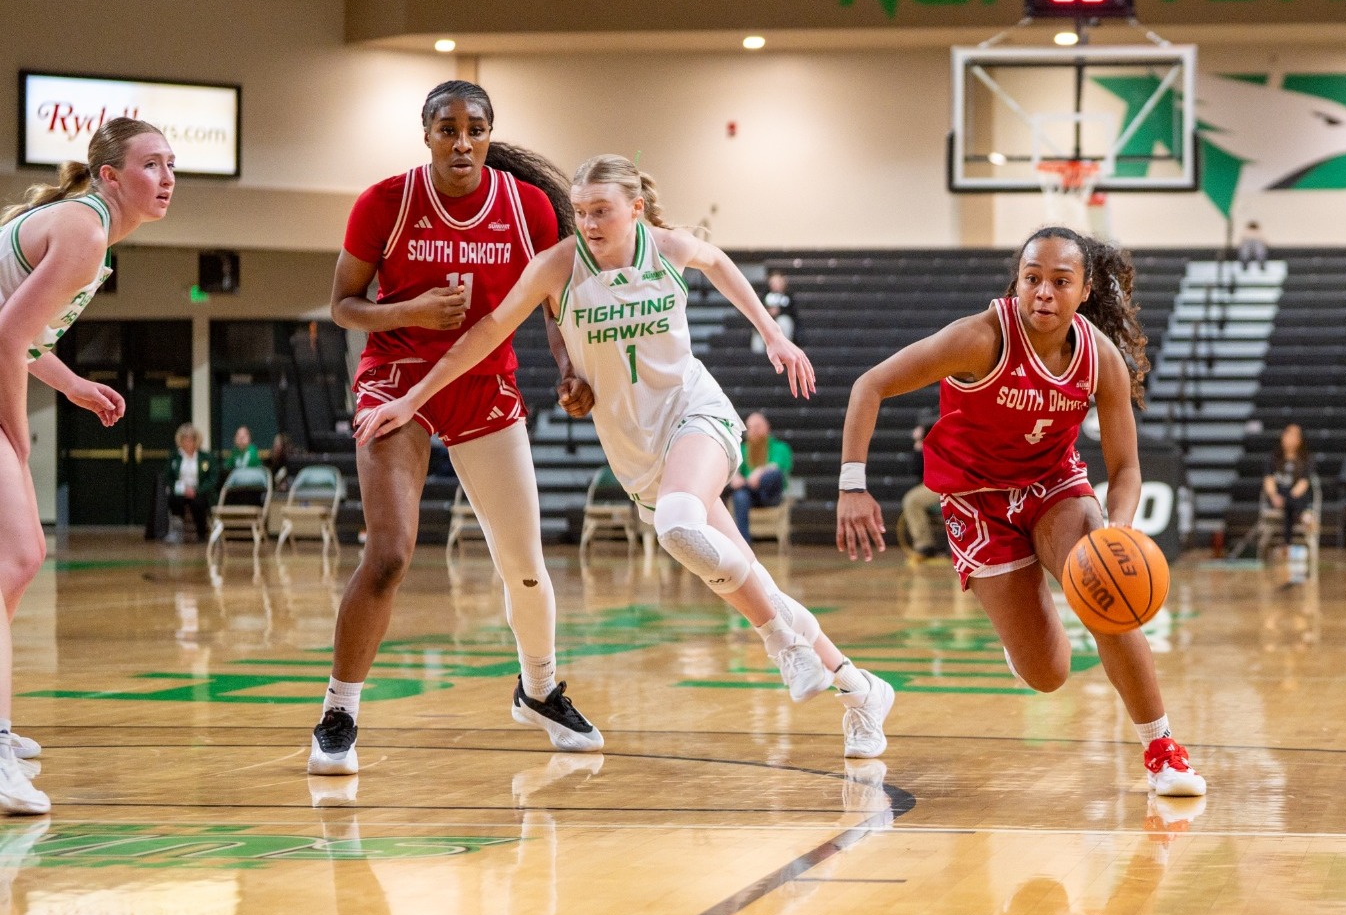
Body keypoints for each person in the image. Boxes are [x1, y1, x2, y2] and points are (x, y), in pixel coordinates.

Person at [355, 154, 895, 759]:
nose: (588, 223)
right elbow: (485, 334)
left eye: (602, 212)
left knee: (679, 526)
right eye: (581, 212)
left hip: (695, 416)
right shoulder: (558, 267)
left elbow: (718, 262)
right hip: (636, 452)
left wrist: (772, 332)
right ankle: (861, 689)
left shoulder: (663, 247)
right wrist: (412, 397)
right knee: (755, 581)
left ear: (635, 209)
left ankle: (782, 646)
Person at [834, 225, 1207, 797]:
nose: (1044, 293)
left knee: (1109, 595)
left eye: (1060, 282)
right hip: (977, 501)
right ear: (1018, 281)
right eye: (1033, 279)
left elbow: (1126, 467)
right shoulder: (978, 339)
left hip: (1053, 485)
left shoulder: (1098, 358)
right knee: (1049, 674)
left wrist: (1119, 532)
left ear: (1083, 292)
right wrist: (852, 485)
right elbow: (870, 385)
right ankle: (1023, 641)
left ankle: (1162, 750)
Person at [309, 80, 600, 778]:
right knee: (390, 554)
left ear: (490, 134)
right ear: (427, 135)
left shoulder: (527, 207)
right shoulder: (385, 202)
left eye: (474, 127)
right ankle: (339, 710)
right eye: (447, 128)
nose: (461, 140)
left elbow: (556, 305)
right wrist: (411, 312)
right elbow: (344, 306)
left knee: (523, 564)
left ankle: (539, 689)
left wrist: (567, 366)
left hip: (485, 384)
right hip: (396, 382)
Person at [0, 116, 174, 814]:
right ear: (110, 176)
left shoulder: (87, 232)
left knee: (17, 559)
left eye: (171, 166)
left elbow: (24, 335)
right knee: (17, 556)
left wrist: (72, 386)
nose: (165, 179)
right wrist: (18, 435)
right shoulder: (85, 229)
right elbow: (8, 339)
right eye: (151, 165)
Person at [728, 412, 791, 540]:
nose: (753, 431)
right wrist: (735, 477)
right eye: (750, 428)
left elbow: (778, 467)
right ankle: (744, 544)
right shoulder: (742, 449)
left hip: (770, 494)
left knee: (773, 474)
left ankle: (745, 487)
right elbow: (735, 471)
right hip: (751, 497)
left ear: (767, 427)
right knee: (739, 495)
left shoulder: (780, 447)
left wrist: (760, 472)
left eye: (757, 427)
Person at [1261, 423, 1314, 548]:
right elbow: (1268, 480)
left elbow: (1303, 483)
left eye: (1293, 435)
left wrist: (1290, 498)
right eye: (1287, 434)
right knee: (1288, 504)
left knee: (1291, 503)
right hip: (1278, 495)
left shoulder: (1306, 459)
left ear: (1300, 440)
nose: (1289, 438)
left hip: (1295, 496)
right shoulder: (1274, 458)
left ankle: (1287, 543)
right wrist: (1274, 496)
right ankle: (1305, 515)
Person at [900, 416, 942, 559]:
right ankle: (925, 545)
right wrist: (919, 445)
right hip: (938, 482)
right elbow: (917, 470)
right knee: (912, 499)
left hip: (949, 481)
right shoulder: (930, 438)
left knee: (913, 500)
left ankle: (926, 544)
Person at [164, 423, 216, 539]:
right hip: (180, 490)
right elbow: (168, 478)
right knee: (174, 499)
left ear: (196, 441)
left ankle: (201, 533)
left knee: (198, 502)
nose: (187, 442)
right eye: (184, 439)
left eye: (190, 439)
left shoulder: (205, 457)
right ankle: (177, 531)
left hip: (199, 491)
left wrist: (196, 490)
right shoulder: (174, 457)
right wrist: (182, 490)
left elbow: (212, 479)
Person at [754, 271, 798, 354]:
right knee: (759, 327)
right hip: (767, 322)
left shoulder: (788, 296)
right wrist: (768, 312)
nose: (775, 284)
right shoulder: (765, 295)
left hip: (781, 323)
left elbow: (793, 312)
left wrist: (779, 311)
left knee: (784, 321)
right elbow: (758, 309)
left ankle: (783, 349)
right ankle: (759, 354)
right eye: (773, 282)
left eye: (778, 282)